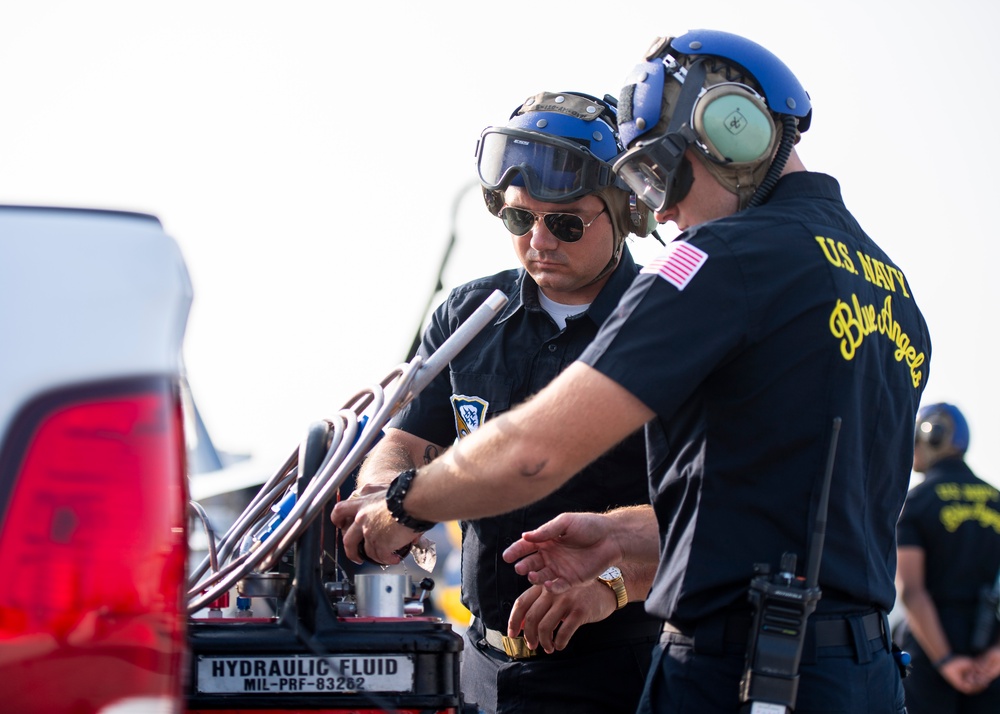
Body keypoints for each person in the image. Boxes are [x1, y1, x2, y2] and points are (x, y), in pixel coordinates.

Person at [334, 29, 931, 714]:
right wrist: (622, 541)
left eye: (661, 173)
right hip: (858, 678)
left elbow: (535, 454)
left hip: (738, 671)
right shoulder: (888, 284)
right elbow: (779, 508)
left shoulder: (719, 262)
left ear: (731, 135)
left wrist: (403, 502)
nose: (664, 212)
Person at [338, 90, 663, 714]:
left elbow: (705, 501)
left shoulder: (668, 319)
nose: (539, 240)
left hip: (623, 672)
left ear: (624, 213)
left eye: (565, 223)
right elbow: (405, 441)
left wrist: (615, 581)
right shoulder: (467, 317)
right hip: (479, 668)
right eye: (519, 220)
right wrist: (383, 497)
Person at [896, 402, 1000, 712]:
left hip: (929, 656)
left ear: (930, 438)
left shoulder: (917, 502)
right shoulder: (997, 500)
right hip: (990, 659)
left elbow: (911, 592)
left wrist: (946, 660)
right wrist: (996, 657)